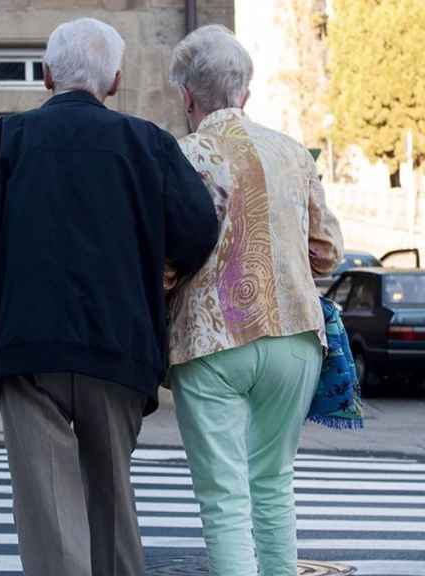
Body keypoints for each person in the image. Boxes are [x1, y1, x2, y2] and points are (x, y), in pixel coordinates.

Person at [0, 17, 219, 576]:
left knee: (51, 517)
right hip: (119, 349)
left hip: (29, 350)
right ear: (114, 81)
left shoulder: (0, 143)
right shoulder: (149, 145)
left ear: (45, 77)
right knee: (112, 503)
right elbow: (198, 231)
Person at [165, 25, 344, 576]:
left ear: (187, 96)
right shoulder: (293, 152)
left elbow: (167, 257)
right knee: (274, 487)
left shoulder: (183, 155)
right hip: (294, 336)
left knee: (224, 501)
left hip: (211, 340)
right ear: (245, 90)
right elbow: (329, 250)